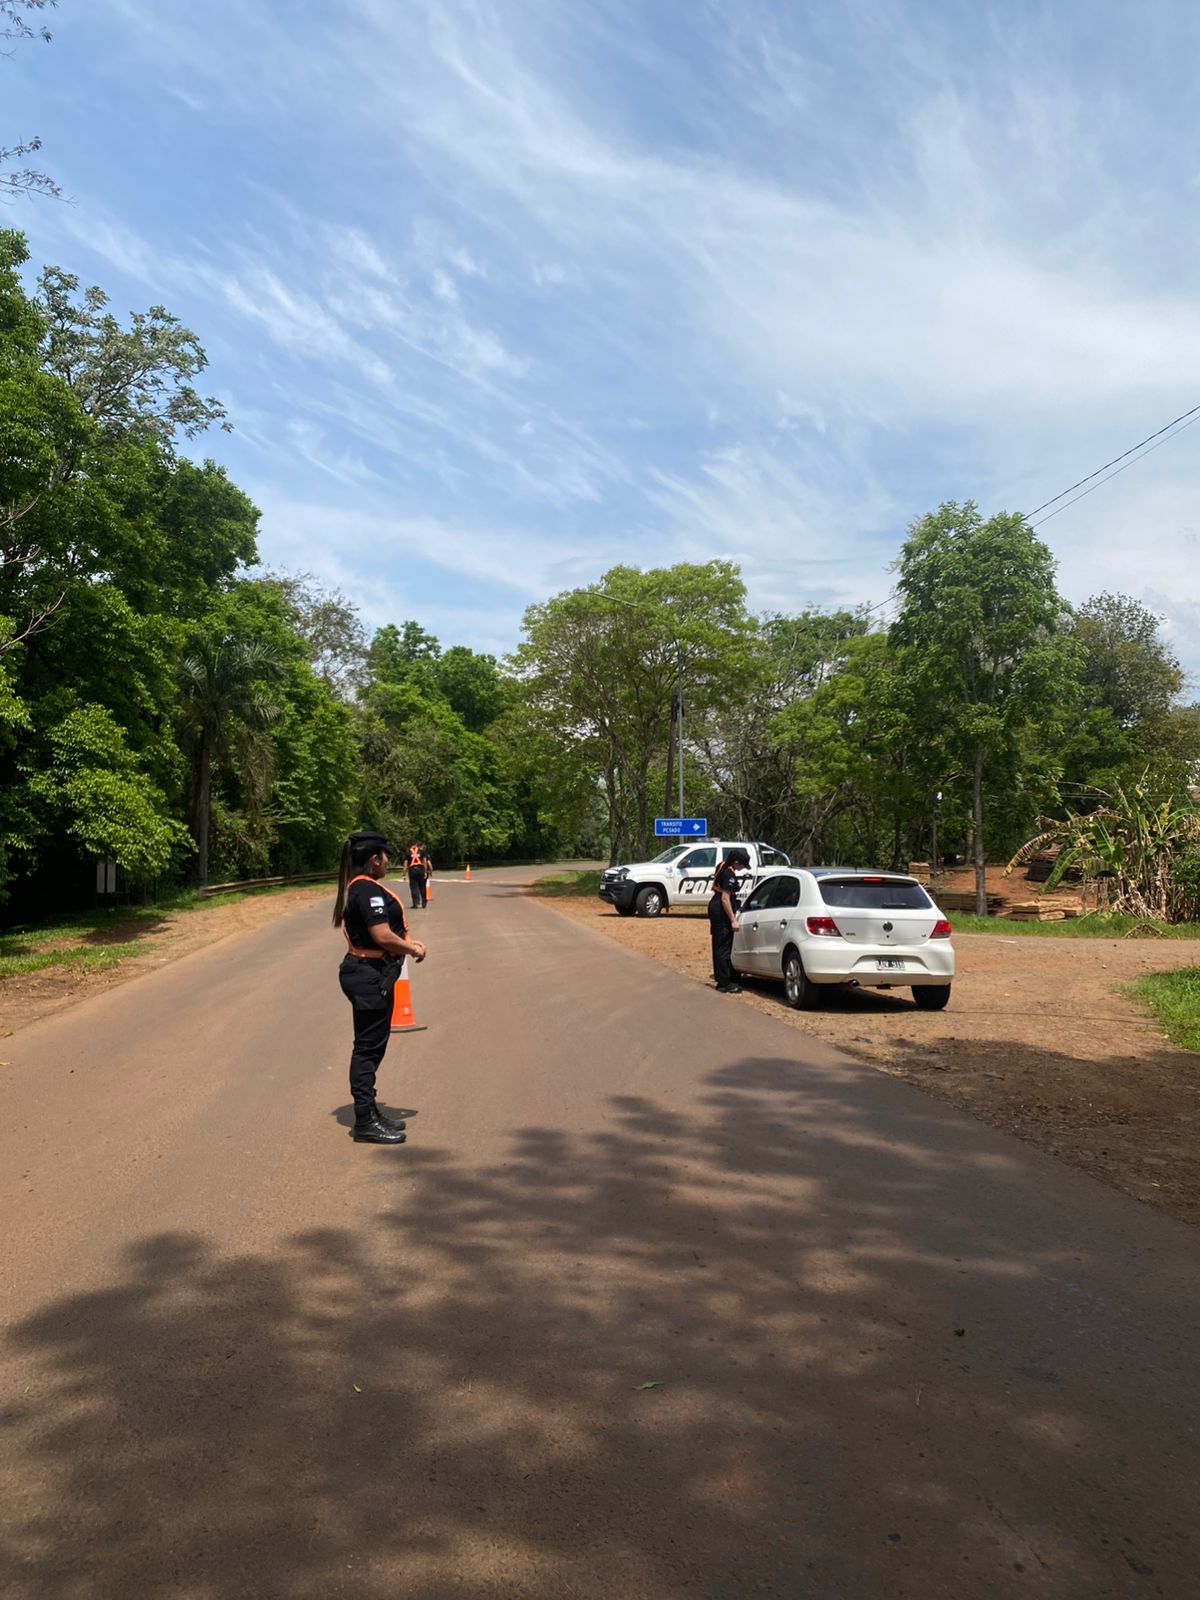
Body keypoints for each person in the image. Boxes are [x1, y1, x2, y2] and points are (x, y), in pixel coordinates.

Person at [333, 831, 427, 1143]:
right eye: (385, 855)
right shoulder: (365, 890)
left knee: (374, 1044)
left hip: (370, 971)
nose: (388, 860)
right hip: (367, 974)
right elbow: (381, 935)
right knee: (367, 1048)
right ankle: (364, 1121)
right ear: (375, 858)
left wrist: (407, 941)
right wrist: (411, 949)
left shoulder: (361, 887)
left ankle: (370, 1111)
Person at [708, 847, 750, 994]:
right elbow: (725, 899)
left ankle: (722, 979)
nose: (742, 868)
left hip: (715, 905)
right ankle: (724, 983)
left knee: (718, 945)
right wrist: (733, 920)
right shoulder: (729, 874)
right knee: (723, 947)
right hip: (720, 908)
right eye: (742, 865)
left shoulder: (722, 865)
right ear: (736, 862)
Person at [406, 840, 428, 910]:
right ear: (416, 844)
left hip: (412, 870)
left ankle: (415, 904)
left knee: (414, 887)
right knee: (422, 886)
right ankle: (424, 902)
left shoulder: (408, 852)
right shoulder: (421, 851)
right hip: (420, 870)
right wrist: (425, 871)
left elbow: (405, 863)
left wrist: (403, 874)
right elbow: (424, 862)